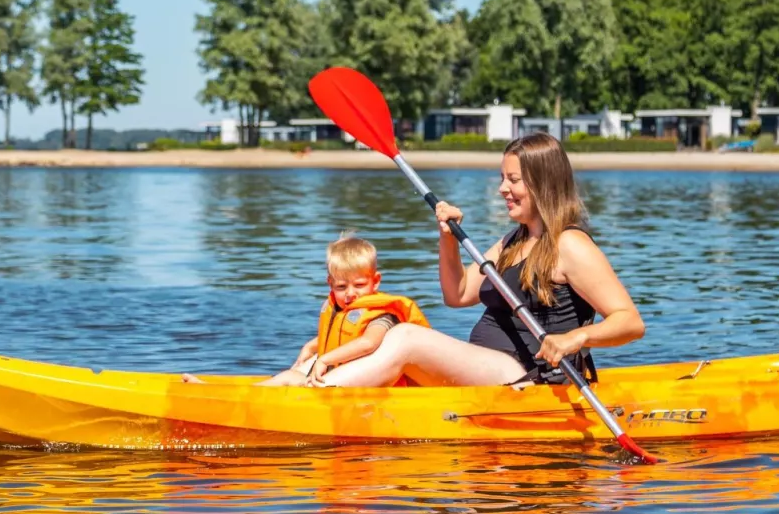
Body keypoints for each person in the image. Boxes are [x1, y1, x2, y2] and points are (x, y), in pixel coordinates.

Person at [316, 132, 644, 388]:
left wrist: (576, 338)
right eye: (503, 178)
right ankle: (302, 380)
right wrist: (447, 237)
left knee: (404, 337)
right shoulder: (511, 243)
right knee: (386, 340)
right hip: (490, 369)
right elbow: (457, 294)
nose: (502, 188)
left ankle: (316, 392)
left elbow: (629, 322)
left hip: (531, 376)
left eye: (513, 180)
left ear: (543, 183)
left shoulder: (569, 244)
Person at [257, 231, 430, 386]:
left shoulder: (381, 316)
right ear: (330, 284)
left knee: (289, 378)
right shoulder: (341, 310)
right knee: (289, 375)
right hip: (342, 384)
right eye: (341, 287)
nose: (350, 294)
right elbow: (342, 335)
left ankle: (241, 403)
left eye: (359, 285)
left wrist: (325, 359)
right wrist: (310, 348)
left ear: (375, 281)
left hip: (374, 391)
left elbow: (368, 343)